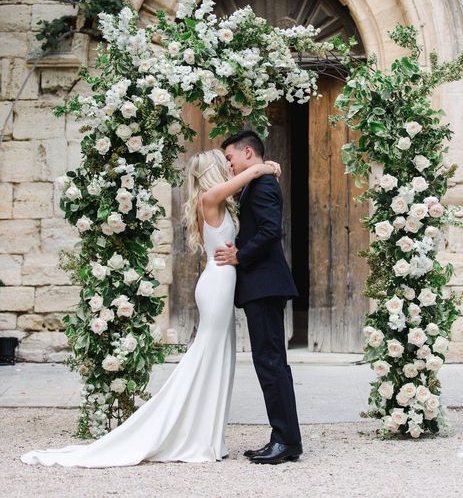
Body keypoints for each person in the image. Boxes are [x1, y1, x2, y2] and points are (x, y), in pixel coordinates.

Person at [20, 149, 280, 468]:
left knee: (221, 360)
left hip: (224, 285)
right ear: (211, 171)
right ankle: (193, 437)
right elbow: (251, 175)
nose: (229, 165)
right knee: (206, 357)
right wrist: (265, 167)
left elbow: (249, 189)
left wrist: (263, 171)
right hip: (215, 287)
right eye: (223, 161)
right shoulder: (209, 198)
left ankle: (211, 437)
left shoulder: (223, 200)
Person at [215, 130, 303, 465]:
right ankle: (283, 437)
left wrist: (240, 255)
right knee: (271, 363)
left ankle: (286, 441)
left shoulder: (263, 184)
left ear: (247, 152)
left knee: (270, 363)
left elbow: (271, 230)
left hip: (265, 285)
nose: (229, 165)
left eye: (230, 158)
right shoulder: (258, 180)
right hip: (261, 287)